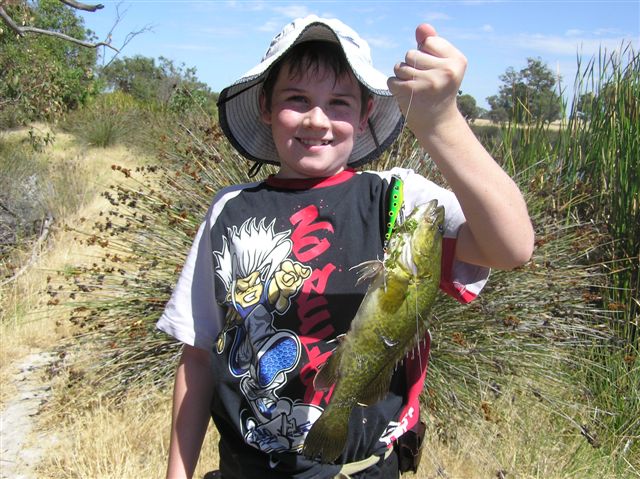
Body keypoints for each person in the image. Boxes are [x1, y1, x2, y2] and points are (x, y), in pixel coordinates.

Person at [157, 15, 534, 479]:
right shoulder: (229, 210)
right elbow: (197, 355)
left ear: (364, 115)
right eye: (297, 99)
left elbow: (512, 246)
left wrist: (440, 121)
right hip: (245, 467)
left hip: (360, 469)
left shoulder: (398, 199)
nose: (318, 120)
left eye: (339, 103)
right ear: (265, 106)